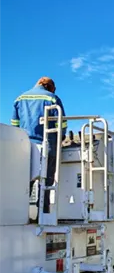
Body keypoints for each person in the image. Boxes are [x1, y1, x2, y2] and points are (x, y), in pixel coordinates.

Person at [12, 77, 68, 214]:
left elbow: (14, 124)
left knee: (25, 182)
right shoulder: (53, 98)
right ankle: (43, 213)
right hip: (47, 145)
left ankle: (21, 214)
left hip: (25, 146)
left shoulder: (19, 99)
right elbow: (62, 124)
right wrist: (61, 138)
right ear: (50, 87)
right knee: (46, 182)